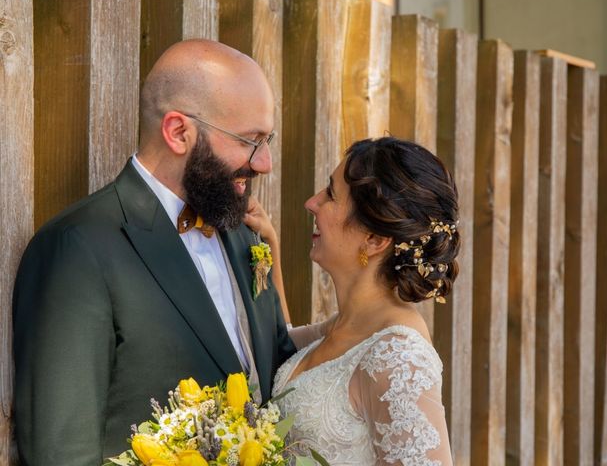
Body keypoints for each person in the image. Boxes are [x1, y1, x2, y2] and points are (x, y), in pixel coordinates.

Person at [12, 39, 300, 465]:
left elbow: (275, 373)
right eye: (250, 141)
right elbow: (62, 451)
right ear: (179, 132)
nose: (265, 163)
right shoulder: (78, 247)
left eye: (267, 139)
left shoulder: (244, 236)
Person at [269, 137, 459, 465]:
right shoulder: (347, 327)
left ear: (374, 239)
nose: (311, 203)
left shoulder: (399, 356)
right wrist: (267, 250)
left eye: (330, 194)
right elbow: (278, 341)